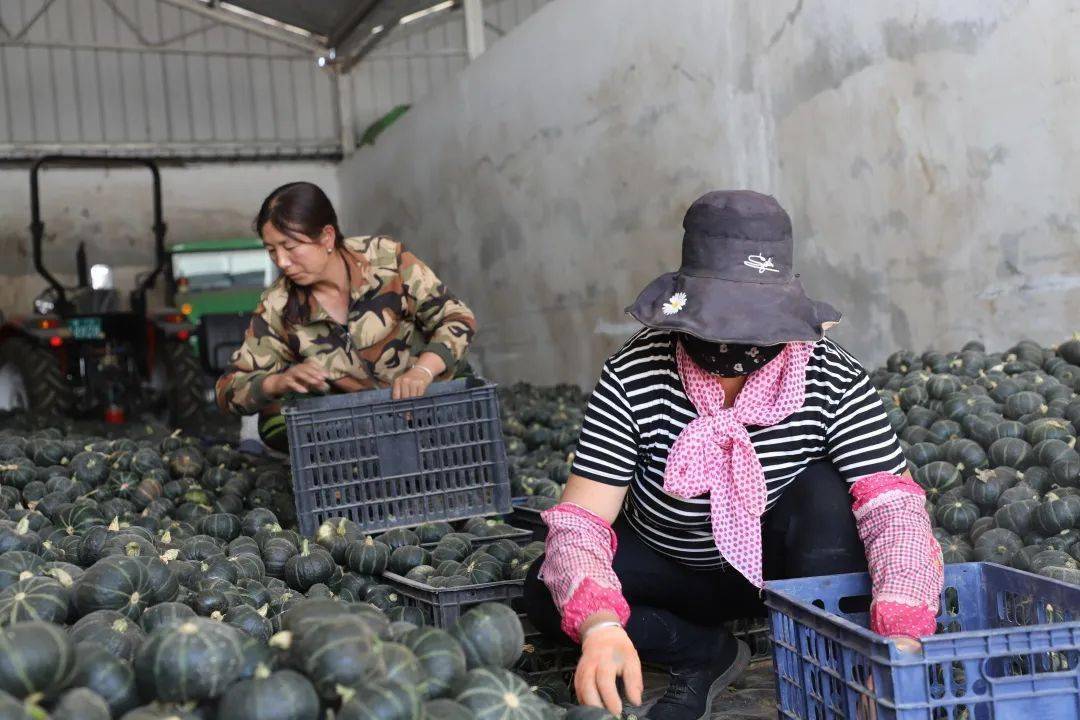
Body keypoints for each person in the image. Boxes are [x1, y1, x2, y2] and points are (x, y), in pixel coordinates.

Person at [521, 191, 943, 720]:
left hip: (778, 576)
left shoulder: (831, 376)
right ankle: (702, 653)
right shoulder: (633, 374)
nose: (732, 345)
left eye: (752, 325)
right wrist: (602, 625)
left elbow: (895, 514)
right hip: (669, 567)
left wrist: (897, 640)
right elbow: (582, 521)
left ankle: (835, 659)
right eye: (718, 323)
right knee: (546, 587)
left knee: (828, 493)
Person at [216, 182, 477, 450]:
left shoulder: (385, 259)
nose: (281, 261)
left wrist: (422, 371)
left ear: (327, 237)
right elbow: (228, 390)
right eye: (271, 250)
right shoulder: (278, 306)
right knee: (273, 421)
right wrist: (277, 382)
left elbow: (457, 318)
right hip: (357, 436)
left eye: (290, 247)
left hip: (432, 403)